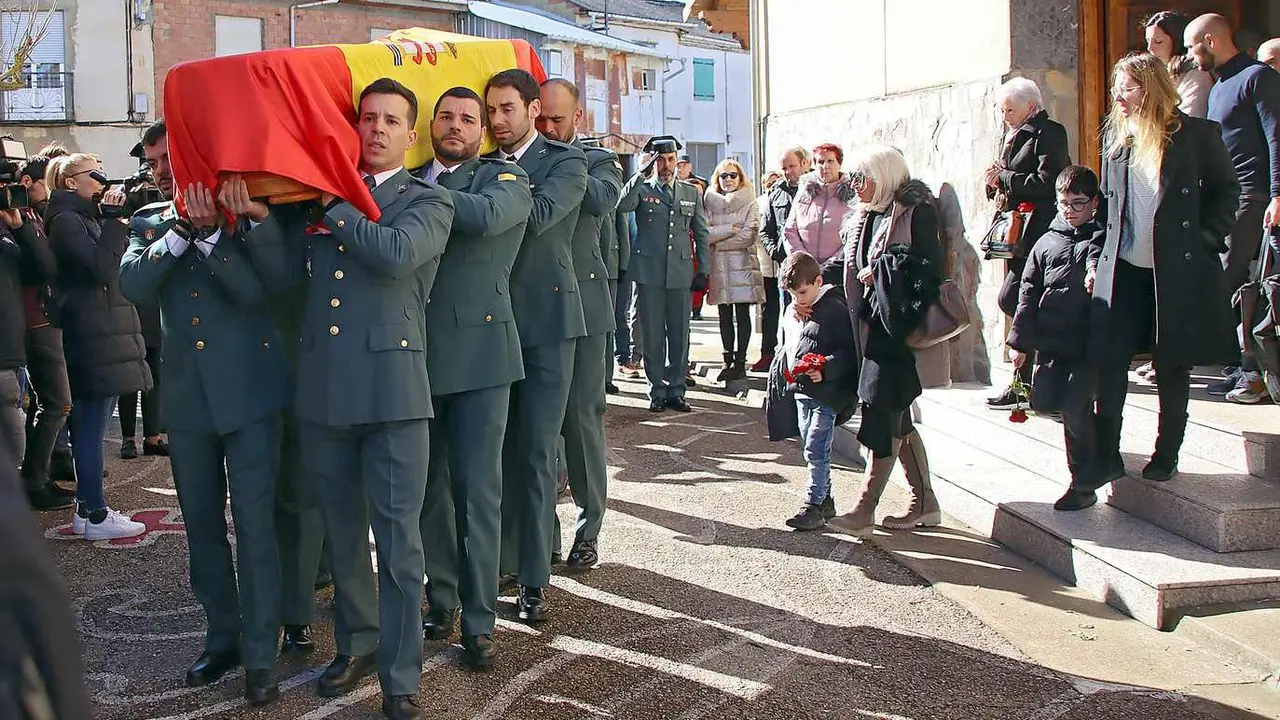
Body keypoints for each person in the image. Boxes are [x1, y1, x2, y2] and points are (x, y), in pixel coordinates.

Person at [245, 77, 454, 720]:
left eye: (393, 120)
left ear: (410, 133)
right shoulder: (312, 204)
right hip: (325, 394)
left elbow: (394, 256)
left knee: (398, 544)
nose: (379, 129)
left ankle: (400, 673)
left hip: (393, 396)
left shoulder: (426, 201)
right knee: (341, 535)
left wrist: (333, 202)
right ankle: (358, 642)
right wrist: (259, 224)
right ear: (354, 126)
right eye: (368, 118)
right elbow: (284, 284)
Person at [118, 115, 292, 705]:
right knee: (201, 530)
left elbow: (262, 288)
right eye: (154, 162)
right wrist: (179, 234)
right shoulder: (148, 222)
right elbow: (134, 285)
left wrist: (213, 236)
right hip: (189, 406)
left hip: (250, 397)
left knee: (255, 526)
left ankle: (263, 653)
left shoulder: (245, 218)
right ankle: (223, 639)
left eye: (170, 157)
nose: (162, 170)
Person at [415, 86, 532, 670]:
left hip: (483, 360)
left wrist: (414, 194)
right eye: (446, 115)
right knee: (428, 492)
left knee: (477, 493)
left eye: (469, 118)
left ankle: (480, 619)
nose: (456, 125)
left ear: (483, 129)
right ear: (430, 124)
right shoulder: (410, 176)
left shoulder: (503, 180)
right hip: (415, 358)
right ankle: (441, 599)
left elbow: (486, 221)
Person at [1090, 53, 1239, 485]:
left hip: (1176, 271)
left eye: (1129, 87)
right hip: (1125, 270)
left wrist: (1206, 239)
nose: (1118, 95)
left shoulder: (1196, 136)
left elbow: (1228, 191)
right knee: (1111, 361)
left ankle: (1166, 452)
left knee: (1172, 364)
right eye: (1117, 86)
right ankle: (1108, 454)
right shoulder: (1117, 144)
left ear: (1152, 88)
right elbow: (1107, 210)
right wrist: (1097, 255)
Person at [484, 69, 587, 626]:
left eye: (507, 110)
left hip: (547, 324)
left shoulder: (564, 161)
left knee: (536, 452)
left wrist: (498, 181)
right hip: (491, 324)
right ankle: (502, 560)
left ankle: (532, 580)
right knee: (495, 450)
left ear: (530, 109)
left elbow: (543, 216)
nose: (497, 121)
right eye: (490, 111)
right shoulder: (481, 164)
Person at [828, 145, 944, 537]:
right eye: (855, 179)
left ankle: (865, 508)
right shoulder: (869, 214)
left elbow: (928, 268)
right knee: (899, 417)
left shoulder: (916, 210)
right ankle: (925, 502)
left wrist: (878, 272)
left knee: (882, 415)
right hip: (868, 330)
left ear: (886, 175)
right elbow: (846, 265)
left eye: (863, 178)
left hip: (896, 331)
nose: (856, 186)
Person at [538, 78, 622, 572]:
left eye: (558, 120)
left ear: (578, 120)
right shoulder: (519, 162)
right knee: (539, 429)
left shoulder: (597, 162)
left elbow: (600, 199)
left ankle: (589, 529)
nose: (549, 128)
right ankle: (543, 534)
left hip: (587, 313)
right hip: (541, 309)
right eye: (542, 119)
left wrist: (552, 168)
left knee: (582, 422)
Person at [44, 153, 150, 541]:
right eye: (95, 174)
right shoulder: (67, 221)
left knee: (93, 423)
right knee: (90, 427)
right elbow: (102, 269)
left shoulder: (82, 218)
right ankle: (96, 511)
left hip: (100, 330)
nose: (102, 181)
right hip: (89, 332)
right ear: (71, 182)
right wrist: (111, 222)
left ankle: (88, 510)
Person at [1186, 13, 1280, 404]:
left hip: (1255, 197)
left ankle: (1252, 373)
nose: (1190, 56)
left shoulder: (1258, 77)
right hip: (1227, 197)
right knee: (1228, 282)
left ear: (1210, 39)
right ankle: (1243, 366)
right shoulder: (1220, 84)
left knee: (1237, 280)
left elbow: (1277, 136)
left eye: (1192, 46)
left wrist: (1277, 194)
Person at [1004, 166, 1105, 511]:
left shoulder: (1102, 238)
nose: (1070, 211)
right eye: (1064, 203)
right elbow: (1027, 294)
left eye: (1078, 204)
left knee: (1076, 409)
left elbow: (1100, 266)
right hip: (1051, 342)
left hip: (1089, 344)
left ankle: (1082, 485)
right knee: (1044, 404)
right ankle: (1086, 433)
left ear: (1093, 203)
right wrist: (1019, 342)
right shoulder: (1045, 242)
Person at [984, 77, 1071, 411]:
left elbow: (1049, 182)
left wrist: (1005, 177)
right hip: (1017, 234)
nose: (1005, 115)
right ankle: (1026, 382)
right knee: (1014, 301)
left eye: (1010, 109)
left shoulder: (1049, 133)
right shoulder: (1014, 134)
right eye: (1003, 109)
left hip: (1040, 232)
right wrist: (995, 182)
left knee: (1019, 301)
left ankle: (1035, 379)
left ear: (1031, 107)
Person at [616, 136, 710, 413]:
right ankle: (656, 390)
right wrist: (639, 174)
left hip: (680, 273)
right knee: (654, 335)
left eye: (670, 159)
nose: (666, 165)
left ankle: (676, 390)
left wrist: (703, 269)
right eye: (660, 159)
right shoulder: (643, 190)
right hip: (649, 274)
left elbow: (702, 234)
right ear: (652, 161)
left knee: (680, 335)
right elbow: (622, 206)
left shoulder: (691, 192)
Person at [774, 251, 858, 531]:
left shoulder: (834, 310)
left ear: (818, 282)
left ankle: (812, 504)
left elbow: (848, 353)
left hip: (827, 394)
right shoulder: (797, 309)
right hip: (802, 391)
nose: (798, 299)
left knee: (816, 450)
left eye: (802, 292)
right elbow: (789, 344)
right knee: (810, 446)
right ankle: (826, 500)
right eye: (792, 294)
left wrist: (825, 369)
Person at [14, 152, 75, 511]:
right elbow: (45, 265)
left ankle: (40, 474)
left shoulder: (33, 216)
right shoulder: (19, 220)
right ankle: (34, 479)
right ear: (27, 182)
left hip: (43, 316)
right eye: (43, 182)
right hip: (35, 320)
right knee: (57, 401)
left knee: (47, 402)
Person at [704, 158, 763, 382]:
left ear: (740, 177)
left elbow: (749, 235)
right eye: (723, 175)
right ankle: (727, 360)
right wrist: (730, 229)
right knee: (724, 316)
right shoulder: (709, 202)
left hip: (743, 266)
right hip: (719, 267)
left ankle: (741, 362)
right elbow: (705, 233)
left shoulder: (750, 202)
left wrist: (718, 240)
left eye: (733, 175)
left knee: (742, 315)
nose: (728, 179)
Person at [759, 147, 811, 365]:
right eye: (784, 168)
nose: (788, 172)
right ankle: (787, 362)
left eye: (792, 166)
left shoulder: (816, 189)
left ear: (805, 164)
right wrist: (775, 252)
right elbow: (766, 229)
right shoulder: (776, 192)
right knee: (788, 315)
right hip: (786, 266)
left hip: (812, 267)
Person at [783, 144, 853, 288]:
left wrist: (829, 266)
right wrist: (803, 262)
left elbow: (852, 236)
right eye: (820, 162)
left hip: (836, 273)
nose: (825, 166)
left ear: (839, 164)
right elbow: (790, 230)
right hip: (803, 273)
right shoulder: (805, 191)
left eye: (830, 161)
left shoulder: (852, 195)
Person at [1144, 11, 1214, 118]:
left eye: (1158, 41)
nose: (1150, 48)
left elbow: (1191, 118)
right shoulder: (1154, 73)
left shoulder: (1196, 75)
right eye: (1148, 41)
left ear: (1177, 42)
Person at [753, 170, 783, 373]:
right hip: (766, 264)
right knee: (768, 311)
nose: (771, 186)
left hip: (783, 265)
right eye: (767, 183)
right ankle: (767, 352)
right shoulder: (759, 202)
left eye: (775, 182)